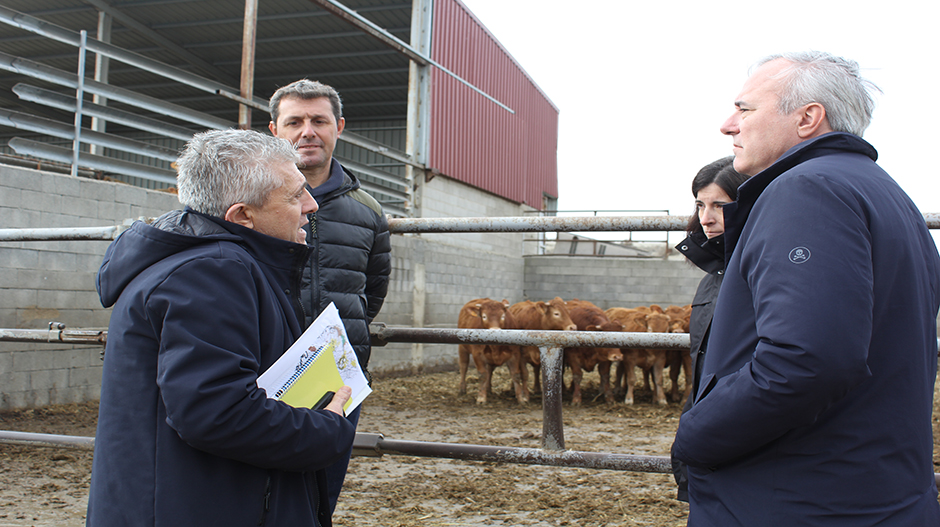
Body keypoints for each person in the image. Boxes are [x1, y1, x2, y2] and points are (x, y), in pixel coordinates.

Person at [672, 51, 940, 525]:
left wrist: (696, 434)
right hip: (872, 488)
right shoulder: (888, 194)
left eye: (745, 109)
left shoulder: (807, 190)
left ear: (807, 118)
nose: (728, 125)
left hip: (794, 496)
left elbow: (808, 360)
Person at [86, 129, 356, 527]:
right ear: (242, 215)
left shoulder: (204, 261)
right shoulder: (212, 271)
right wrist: (325, 429)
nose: (311, 205)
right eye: (295, 195)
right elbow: (216, 411)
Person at [268, 78, 391, 513]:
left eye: (319, 120)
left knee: (323, 493)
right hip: (263, 371)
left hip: (337, 374)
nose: (307, 131)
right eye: (294, 121)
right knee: (261, 490)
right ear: (274, 130)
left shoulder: (368, 210)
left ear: (338, 127)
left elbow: (372, 290)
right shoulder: (253, 198)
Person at [670, 156, 748, 502]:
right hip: (709, 424)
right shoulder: (713, 276)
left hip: (740, 430)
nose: (706, 218)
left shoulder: (758, 268)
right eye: (700, 204)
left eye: (719, 205)